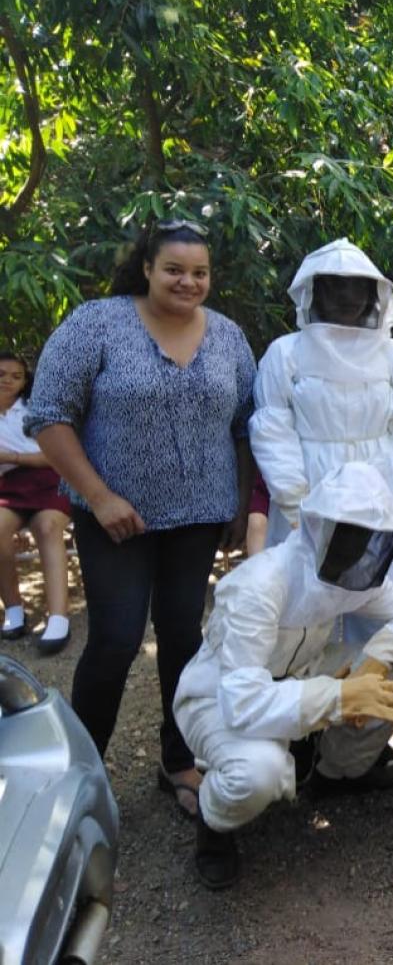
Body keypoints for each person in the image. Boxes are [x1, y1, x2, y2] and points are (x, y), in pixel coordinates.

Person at [25, 219, 254, 817]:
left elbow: (246, 426)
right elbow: (48, 416)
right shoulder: (96, 325)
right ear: (147, 268)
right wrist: (99, 497)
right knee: (115, 640)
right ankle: (80, 773)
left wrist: (239, 500)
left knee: (185, 639)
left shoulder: (228, 336)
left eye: (199, 272)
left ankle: (178, 761)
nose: (188, 281)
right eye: (174, 269)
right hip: (115, 519)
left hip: (199, 516)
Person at [173, 462, 393, 888]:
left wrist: (376, 662)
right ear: (317, 527)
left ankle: (341, 771)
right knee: (257, 773)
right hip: (218, 697)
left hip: (299, 680)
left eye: (368, 539)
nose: (358, 549)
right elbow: (241, 702)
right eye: (347, 534)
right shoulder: (260, 584)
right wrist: (338, 698)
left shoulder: (355, 579)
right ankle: (213, 822)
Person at [250, 239, 393, 567]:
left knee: (375, 597)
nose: (346, 297)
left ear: (372, 295)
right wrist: (296, 508)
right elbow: (273, 434)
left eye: (356, 288)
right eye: (336, 288)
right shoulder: (285, 354)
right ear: (316, 291)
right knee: (306, 602)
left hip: (379, 486)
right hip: (309, 488)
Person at [0, 352, 72, 653]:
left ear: (24, 383)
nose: (7, 380)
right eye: (1, 374)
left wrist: (13, 457)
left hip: (48, 479)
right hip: (8, 485)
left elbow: (58, 454)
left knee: (47, 527)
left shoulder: (34, 410)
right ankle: (14, 610)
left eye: (16, 376)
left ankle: (58, 617)